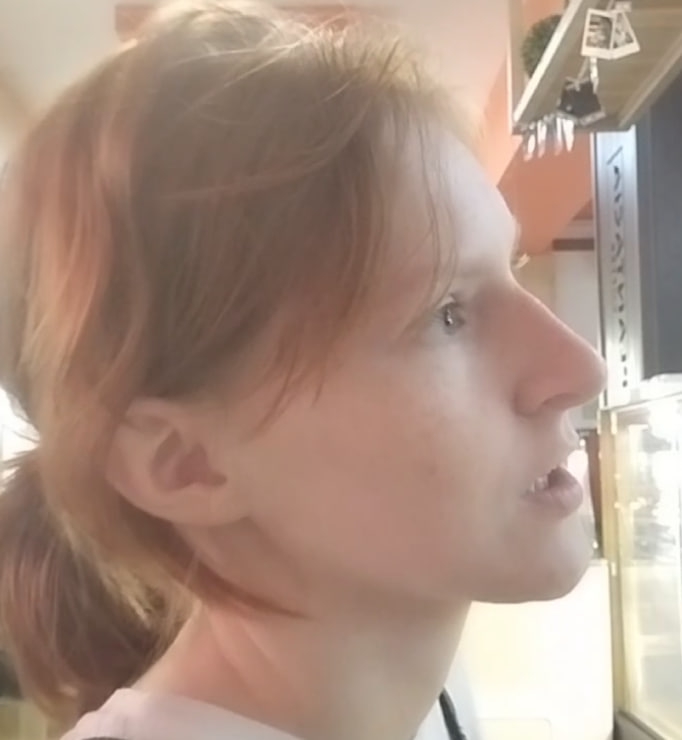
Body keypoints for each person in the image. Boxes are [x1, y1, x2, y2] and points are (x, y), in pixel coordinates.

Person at [0, 2, 606, 739]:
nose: (580, 368)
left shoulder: (426, 697)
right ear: (186, 463)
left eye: (510, 265)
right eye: (446, 313)